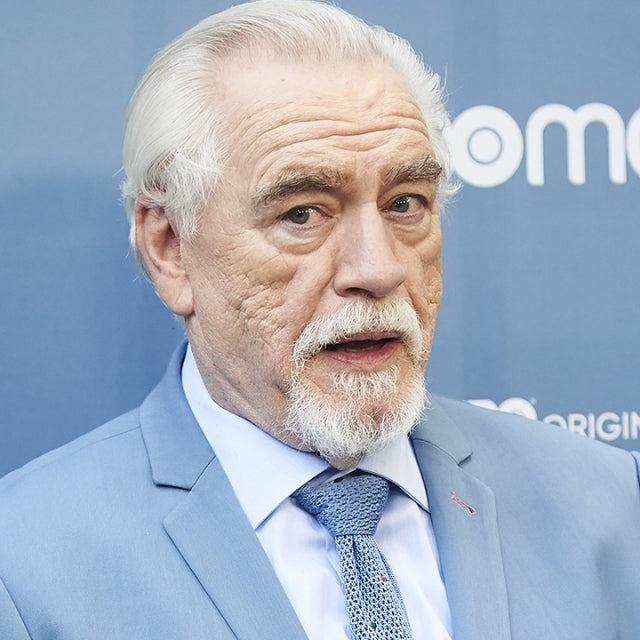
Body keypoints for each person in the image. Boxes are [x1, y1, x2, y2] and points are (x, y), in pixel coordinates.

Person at [1, 1, 638, 638]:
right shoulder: (26, 564)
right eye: (302, 214)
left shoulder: (606, 505)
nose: (378, 269)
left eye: (405, 203)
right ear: (170, 249)